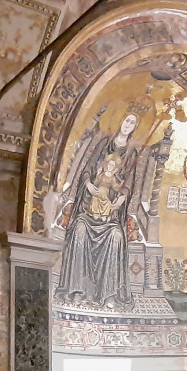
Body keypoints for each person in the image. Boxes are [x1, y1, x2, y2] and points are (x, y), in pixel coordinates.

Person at [54, 108, 145, 309]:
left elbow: (130, 184)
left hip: (111, 214)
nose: (127, 125)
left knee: (116, 237)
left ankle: (109, 295)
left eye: (132, 123)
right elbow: (87, 169)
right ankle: (77, 290)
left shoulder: (132, 152)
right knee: (79, 230)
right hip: (89, 209)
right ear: (120, 120)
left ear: (134, 128)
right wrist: (87, 184)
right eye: (126, 120)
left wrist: (121, 197)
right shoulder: (104, 144)